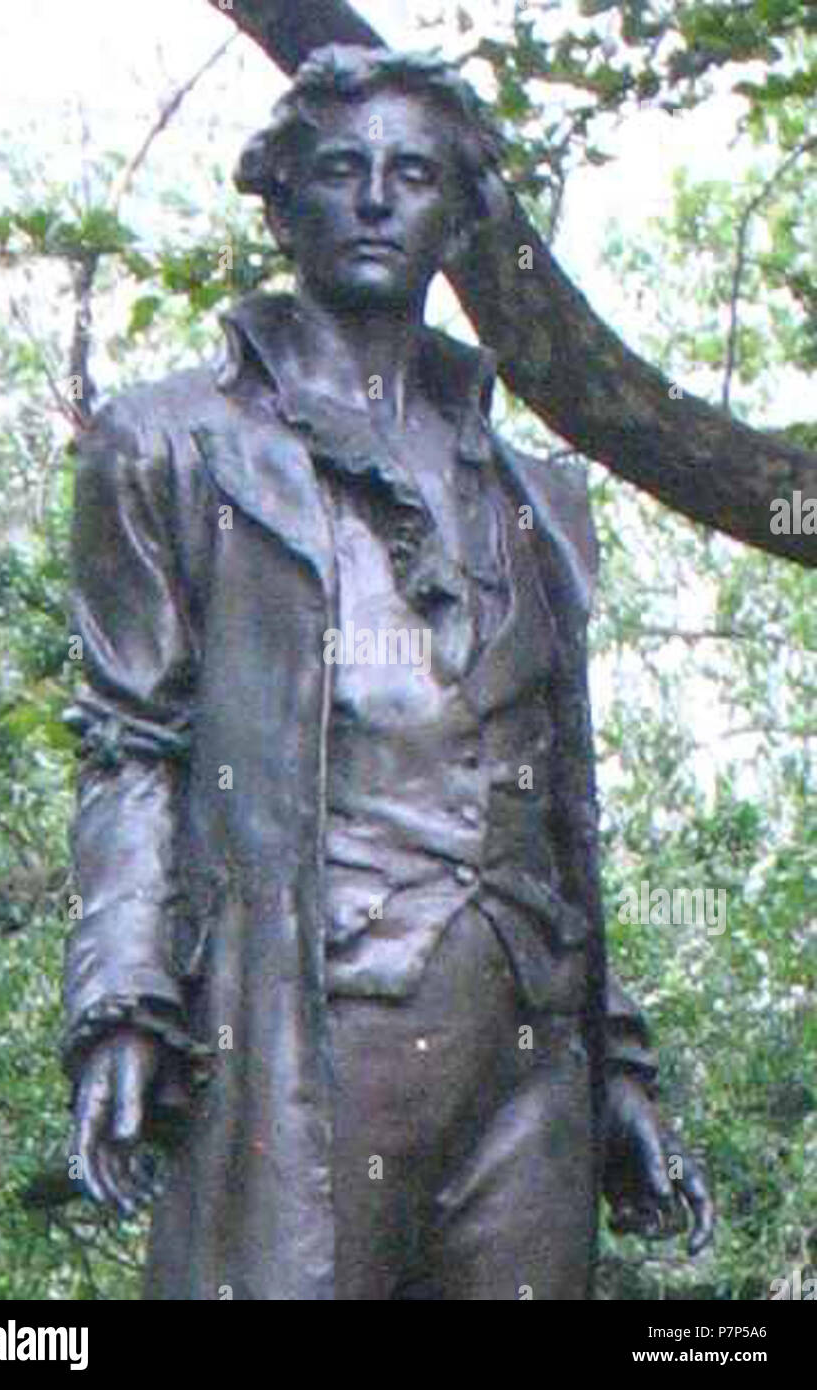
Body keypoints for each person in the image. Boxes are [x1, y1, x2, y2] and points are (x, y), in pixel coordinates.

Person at [63, 45, 713, 1300]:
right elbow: (131, 744)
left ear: (459, 217)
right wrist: (124, 1001)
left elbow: (563, 810)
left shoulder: (534, 495)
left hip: (524, 1055)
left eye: (413, 175)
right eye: (338, 170)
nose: (373, 199)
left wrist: (613, 1063)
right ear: (280, 203)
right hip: (305, 1025)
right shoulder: (173, 445)